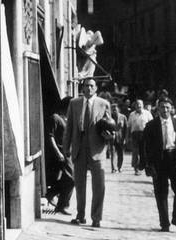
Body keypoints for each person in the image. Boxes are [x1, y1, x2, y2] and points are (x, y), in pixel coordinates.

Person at [62, 78, 111, 228]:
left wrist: (110, 136)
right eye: (86, 86)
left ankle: (96, 218)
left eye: (91, 86)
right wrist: (66, 148)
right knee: (79, 184)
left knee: (99, 185)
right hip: (79, 147)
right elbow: (69, 127)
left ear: (96, 88)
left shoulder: (104, 104)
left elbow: (111, 127)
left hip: (97, 149)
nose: (88, 88)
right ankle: (80, 215)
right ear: (82, 88)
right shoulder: (74, 103)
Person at [142, 98, 176, 232]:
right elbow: (145, 146)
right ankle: (164, 223)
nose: (165, 110)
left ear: (172, 109)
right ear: (158, 109)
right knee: (161, 192)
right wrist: (148, 164)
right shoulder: (151, 125)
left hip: (174, 158)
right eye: (162, 107)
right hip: (159, 161)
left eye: (167, 107)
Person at [45, 96, 74, 215]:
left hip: (69, 153)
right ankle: (55, 197)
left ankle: (59, 202)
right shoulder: (55, 118)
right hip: (61, 153)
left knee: (70, 179)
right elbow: (50, 136)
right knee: (71, 179)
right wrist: (57, 152)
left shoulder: (69, 119)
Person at [127, 99, 152, 175]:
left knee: (144, 152)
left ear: (143, 105)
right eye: (137, 104)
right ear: (135, 106)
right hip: (135, 135)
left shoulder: (147, 113)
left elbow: (152, 124)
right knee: (135, 152)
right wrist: (127, 137)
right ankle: (136, 169)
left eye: (140, 104)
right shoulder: (132, 114)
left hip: (144, 135)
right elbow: (129, 126)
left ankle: (144, 167)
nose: (139, 105)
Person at [108, 103, 127, 173]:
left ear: (118, 109)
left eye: (115, 109)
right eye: (112, 109)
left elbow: (126, 128)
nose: (114, 111)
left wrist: (125, 138)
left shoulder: (123, 117)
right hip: (112, 138)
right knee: (113, 153)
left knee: (121, 153)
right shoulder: (109, 117)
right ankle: (114, 168)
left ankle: (120, 167)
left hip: (121, 138)